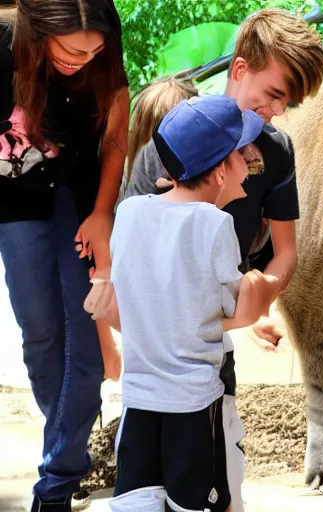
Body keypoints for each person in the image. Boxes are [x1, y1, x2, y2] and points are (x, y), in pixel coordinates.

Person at [121, 8, 323, 511]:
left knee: (216, 481)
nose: (278, 110)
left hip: (212, 353)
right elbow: (135, 256)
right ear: (239, 69)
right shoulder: (176, 133)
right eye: (274, 93)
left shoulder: (276, 152)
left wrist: (252, 301)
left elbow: (285, 254)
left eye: (288, 101)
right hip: (157, 358)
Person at [104, 95, 272, 512]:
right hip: (193, 406)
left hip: (139, 402)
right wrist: (258, 289)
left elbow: (138, 296)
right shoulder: (215, 224)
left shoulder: (129, 213)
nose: (249, 160)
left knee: (137, 503)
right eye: (240, 153)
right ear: (219, 172)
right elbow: (233, 309)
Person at [0, 1, 129, 510]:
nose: (85, 58)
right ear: (38, 31)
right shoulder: (4, 47)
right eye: (74, 49)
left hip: (71, 201)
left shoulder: (99, 56)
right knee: (40, 337)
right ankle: (67, 446)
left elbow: (116, 139)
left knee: (85, 344)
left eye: (95, 50)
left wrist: (102, 213)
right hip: (13, 205)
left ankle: (56, 478)